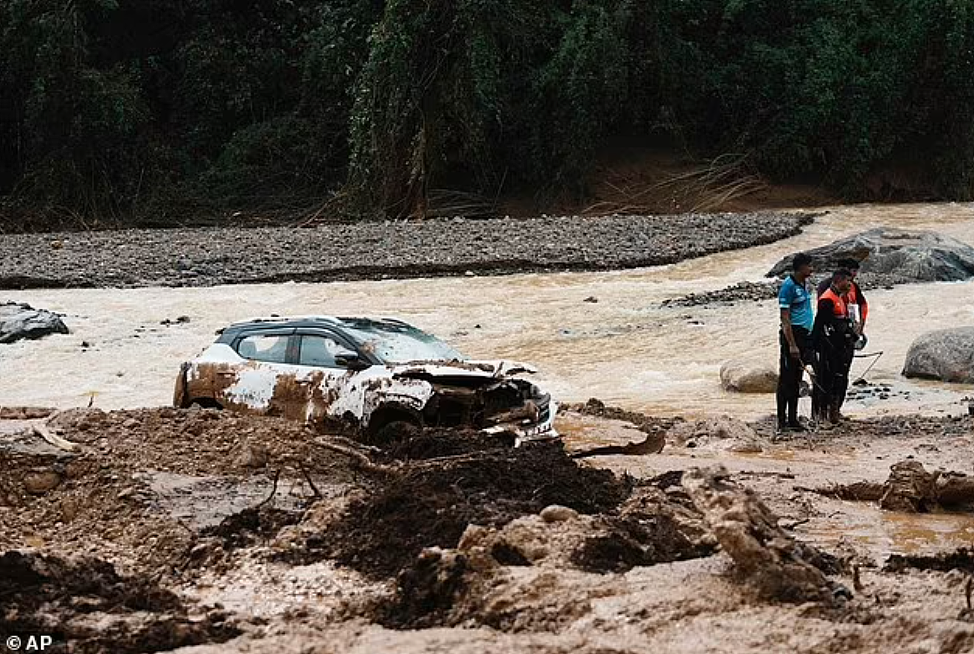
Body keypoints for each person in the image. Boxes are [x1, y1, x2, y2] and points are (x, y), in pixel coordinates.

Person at [812, 268, 858, 424]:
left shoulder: (842, 297)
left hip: (843, 346)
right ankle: (823, 415)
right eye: (847, 281)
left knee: (841, 378)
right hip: (830, 348)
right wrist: (819, 346)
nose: (850, 284)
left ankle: (835, 411)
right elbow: (819, 326)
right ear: (838, 281)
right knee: (828, 379)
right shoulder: (827, 299)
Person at [777, 252, 815, 432]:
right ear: (800, 268)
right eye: (809, 266)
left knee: (797, 378)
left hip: (805, 334)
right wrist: (791, 344)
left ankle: (793, 418)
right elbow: (785, 319)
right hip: (792, 335)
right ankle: (781, 421)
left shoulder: (805, 284)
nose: (812, 269)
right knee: (786, 379)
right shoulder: (788, 287)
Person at [817, 258, 868, 337]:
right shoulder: (826, 288)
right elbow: (823, 317)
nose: (855, 275)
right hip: (834, 332)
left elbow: (863, 304)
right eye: (853, 271)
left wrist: (861, 324)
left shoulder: (853, 286)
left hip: (849, 327)